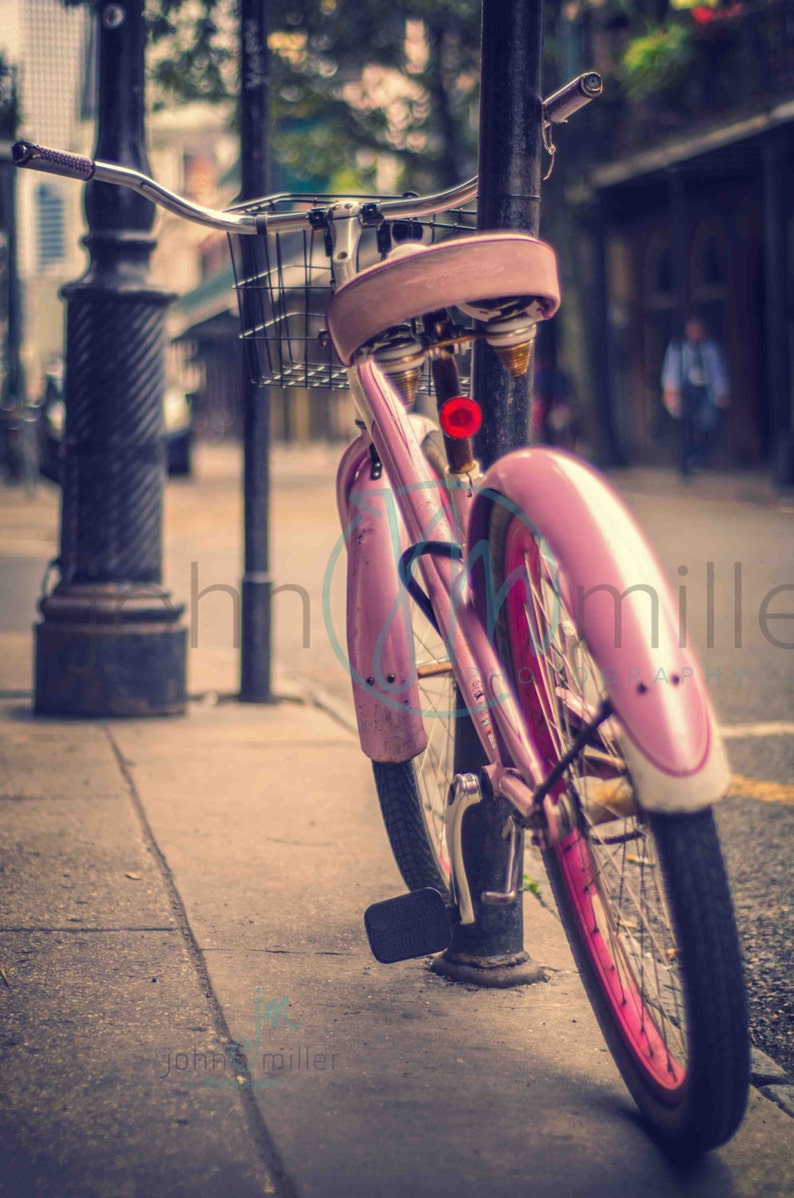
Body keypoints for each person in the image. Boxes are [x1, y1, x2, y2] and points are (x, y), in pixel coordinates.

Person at [661, 314, 729, 471]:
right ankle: (688, 458)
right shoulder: (679, 349)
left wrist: (721, 391)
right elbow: (671, 372)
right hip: (687, 393)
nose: (695, 332)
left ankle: (701, 457)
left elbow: (718, 372)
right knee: (687, 426)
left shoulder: (710, 349)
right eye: (692, 329)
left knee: (707, 422)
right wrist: (671, 392)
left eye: (698, 329)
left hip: (705, 392)